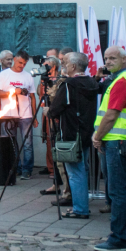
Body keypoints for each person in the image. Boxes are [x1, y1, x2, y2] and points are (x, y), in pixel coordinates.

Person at [91, 45, 126, 251]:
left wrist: (97, 136)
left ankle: (119, 237)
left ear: (124, 60)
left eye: (113, 58)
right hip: (124, 141)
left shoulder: (122, 82)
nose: (108, 61)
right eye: (106, 58)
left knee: (118, 191)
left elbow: (111, 114)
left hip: (117, 142)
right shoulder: (124, 79)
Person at [48, 52, 99, 220]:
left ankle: (80, 209)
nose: (63, 65)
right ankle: (81, 206)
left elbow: (54, 110)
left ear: (73, 67)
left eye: (65, 63)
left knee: (75, 173)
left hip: (70, 134)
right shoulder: (92, 83)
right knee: (81, 171)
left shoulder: (68, 85)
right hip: (86, 132)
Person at [0, 50, 37, 180]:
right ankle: (14, 168)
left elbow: (33, 97)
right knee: (10, 142)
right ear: (14, 59)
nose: (22, 66)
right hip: (9, 114)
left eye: (24, 63)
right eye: (20, 62)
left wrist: (34, 115)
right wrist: (14, 91)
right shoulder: (4, 74)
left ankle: (27, 170)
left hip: (26, 114)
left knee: (27, 143)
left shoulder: (28, 76)